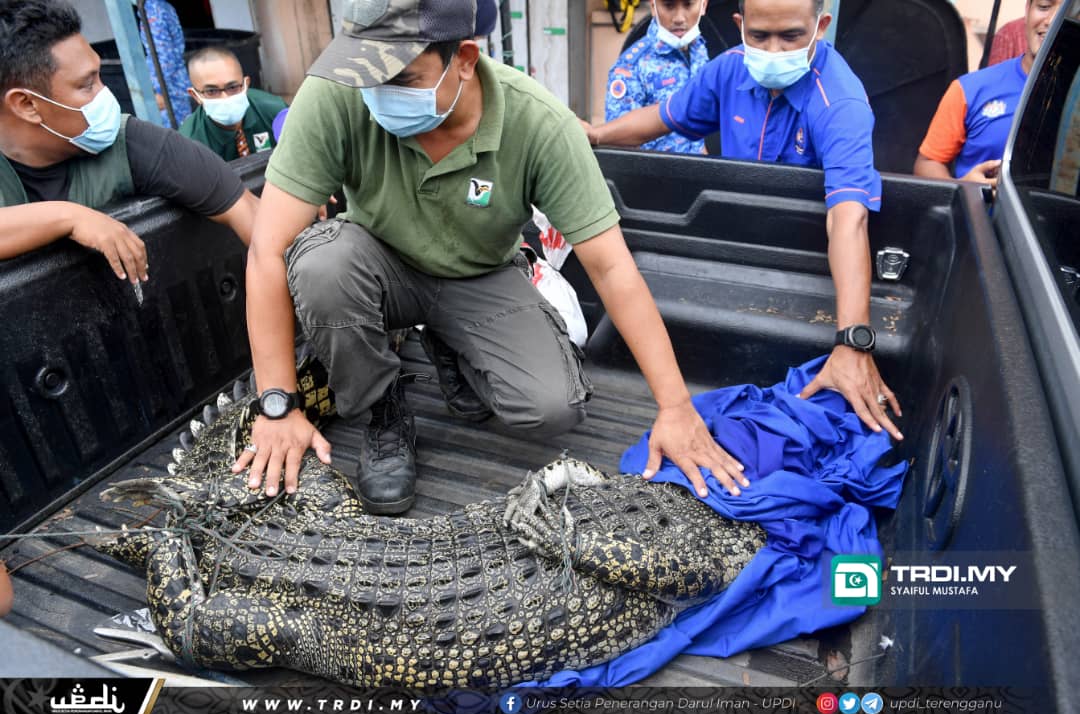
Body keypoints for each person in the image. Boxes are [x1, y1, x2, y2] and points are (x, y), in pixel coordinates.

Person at [234, 0, 748, 515]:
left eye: (403, 78)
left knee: (552, 408)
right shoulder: (339, 92)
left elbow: (612, 267)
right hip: (374, 266)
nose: (380, 93)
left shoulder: (537, 122)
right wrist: (277, 405)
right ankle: (384, 407)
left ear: (463, 58)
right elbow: (267, 251)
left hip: (479, 274)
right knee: (320, 263)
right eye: (371, 78)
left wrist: (676, 407)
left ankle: (447, 345)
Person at [582, 0, 903, 441]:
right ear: (740, 26)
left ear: (821, 26)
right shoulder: (728, 70)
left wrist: (851, 342)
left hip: (804, 271)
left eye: (790, 36)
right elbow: (664, 117)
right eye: (759, 36)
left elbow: (848, 220)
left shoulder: (841, 102)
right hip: (730, 254)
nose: (772, 51)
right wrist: (596, 134)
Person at [0, 0, 259, 285]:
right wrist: (69, 218)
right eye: (86, 85)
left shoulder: (127, 142)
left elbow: (244, 207)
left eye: (99, 76)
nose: (105, 94)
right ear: (26, 104)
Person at [914, 0, 1062, 188]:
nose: (1052, 20)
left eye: (1071, 12)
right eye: (1043, 7)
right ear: (1027, 10)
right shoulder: (971, 89)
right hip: (980, 216)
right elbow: (927, 163)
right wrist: (962, 189)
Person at [605, 0, 710, 154]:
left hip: (698, 172)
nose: (679, 18)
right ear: (653, 7)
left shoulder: (698, 49)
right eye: (669, 6)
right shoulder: (631, 66)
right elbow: (618, 142)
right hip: (654, 174)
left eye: (688, 5)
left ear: (703, 6)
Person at [180, 46, 288, 160]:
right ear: (195, 95)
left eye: (232, 87)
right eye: (211, 91)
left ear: (245, 84)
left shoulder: (275, 112)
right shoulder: (189, 145)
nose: (224, 97)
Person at [138, 0, 192, 128]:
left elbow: (164, 56)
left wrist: (159, 92)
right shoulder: (156, 6)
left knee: (175, 140)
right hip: (173, 86)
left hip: (169, 90)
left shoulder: (153, 10)